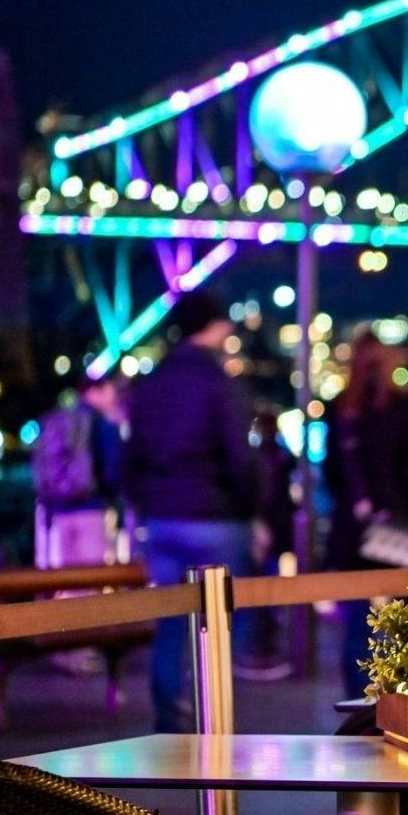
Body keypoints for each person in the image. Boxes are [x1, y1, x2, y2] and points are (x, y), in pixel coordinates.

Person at [125, 291, 266, 731]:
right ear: (214, 327)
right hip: (216, 515)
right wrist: (253, 512)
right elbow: (238, 458)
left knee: (169, 620)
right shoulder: (220, 384)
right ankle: (215, 711)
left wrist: (142, 504)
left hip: (164, 516)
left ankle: (171, 713)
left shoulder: (151, 383)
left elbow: (131, 456)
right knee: (222, 622)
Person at [324, 332, 408, 688]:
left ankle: (358, 700)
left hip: (353, 531)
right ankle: (398, 696)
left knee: (357, 622)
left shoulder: (340, 409)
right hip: (395, 527)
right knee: (403, 620)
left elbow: (332, 473)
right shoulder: (402, 409)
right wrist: (407, 512)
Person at [32, 373, 123, 569]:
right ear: (95, 391)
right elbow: (113, 470)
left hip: (59, 511)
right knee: (92, 578)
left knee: (69, 581)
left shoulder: (58, 419)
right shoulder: (101, 423)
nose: (113, 397)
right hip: (91, 510)